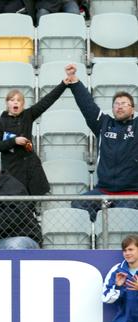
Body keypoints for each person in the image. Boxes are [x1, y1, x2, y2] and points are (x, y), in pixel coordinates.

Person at [64, 63, 138, 221]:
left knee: (123, 220)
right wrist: (75, 82)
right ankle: (96, 235)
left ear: (133, 109)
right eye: (116, 104)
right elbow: (87, 106)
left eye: (124, 103)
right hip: (104, 191)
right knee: (79, 204)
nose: (119, 107)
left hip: (131, 194)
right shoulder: (104, 123)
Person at [0, 78, 69, 196]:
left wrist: (64, 84)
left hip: (32, 167)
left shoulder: (28, 115)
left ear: (23, 104)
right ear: (7, 103)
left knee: (35, 200)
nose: (15, 102)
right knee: (18, 203)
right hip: (13, 170)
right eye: (12, 100)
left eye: (19, 100)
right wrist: (14, 141)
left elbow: (47, 101)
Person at [102, 234, 138, 322]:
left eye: (131, 249)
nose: (127, 253)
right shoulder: (117, 270)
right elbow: (106, 298)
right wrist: (118, 287)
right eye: (124, 250)